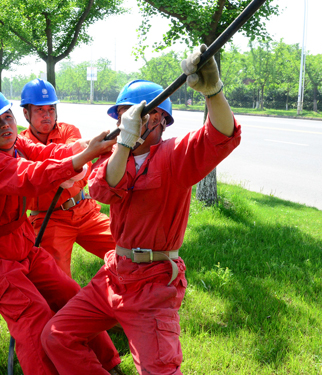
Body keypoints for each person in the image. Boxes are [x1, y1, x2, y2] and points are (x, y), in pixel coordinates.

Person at [41, 45, 242, 374]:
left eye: (136, 112)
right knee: (57, 336)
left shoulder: (175, 156)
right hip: (114, 276)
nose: (126, 118)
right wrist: (124, 142)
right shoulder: (113, 156)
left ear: (161, 119)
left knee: (159, 371)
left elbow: (220, 136)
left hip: (153, 286)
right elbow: (103, 188)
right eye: (122, 112)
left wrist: (213, 92)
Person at [0, 88, 123, 375]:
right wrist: (84, 156)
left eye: (6, 117)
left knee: (72, 295)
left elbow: (49, 152)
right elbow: (32, 176)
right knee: (33, 318)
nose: (5, 125)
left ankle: (108, 363)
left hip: (22, 245)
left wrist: (89, 146)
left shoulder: (16, 144)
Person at [19, 78, 116, 278]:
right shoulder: (20, 143)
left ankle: (142, 295)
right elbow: (33, 177)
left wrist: (69, 170)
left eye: (51, 110)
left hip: (84, 210)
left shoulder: (69, 131)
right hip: (49, 218)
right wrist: (67, 169)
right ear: (26, 113)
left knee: (127, 248)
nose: (47, 115)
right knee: (56, 281)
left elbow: (82, 161)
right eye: (39, 110)